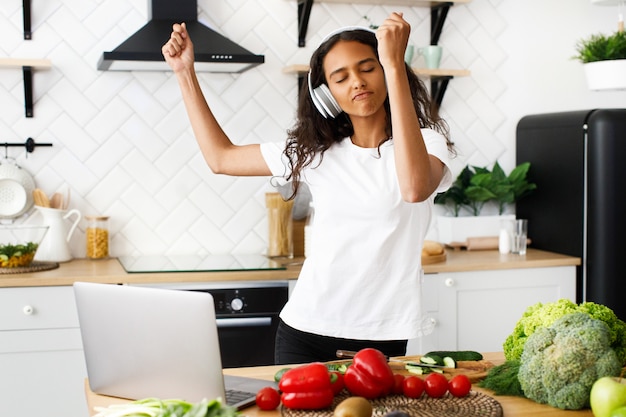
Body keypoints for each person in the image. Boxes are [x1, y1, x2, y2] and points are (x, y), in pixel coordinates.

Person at [162, 12, 454, 364]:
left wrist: (394, 64)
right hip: (304, 329)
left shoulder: (428, 144)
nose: (357, 82)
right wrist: (184, 73)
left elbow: (413, 188)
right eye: (341, 77)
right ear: (327, 96)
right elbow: (222, 158)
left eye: (368, 67)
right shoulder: (318, 152)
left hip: (382, 337)